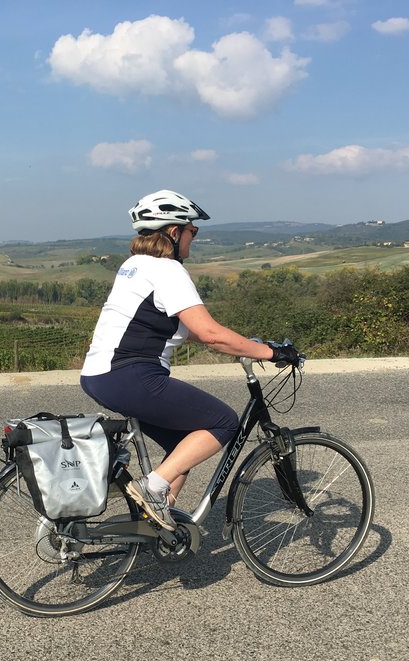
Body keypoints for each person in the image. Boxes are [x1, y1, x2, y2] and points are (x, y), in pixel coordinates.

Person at [80, 189, 300, 531]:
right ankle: (151, 490)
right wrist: (273, 352)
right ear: (173, 232)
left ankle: (155, 526)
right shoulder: (167, 270)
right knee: (223, 423)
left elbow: (194, 330)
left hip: (101, 375)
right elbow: (211, 334)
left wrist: (247, 345)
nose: (193, 239)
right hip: (131, 374)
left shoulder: (134, 266)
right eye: (192, 231)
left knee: (182, 444)